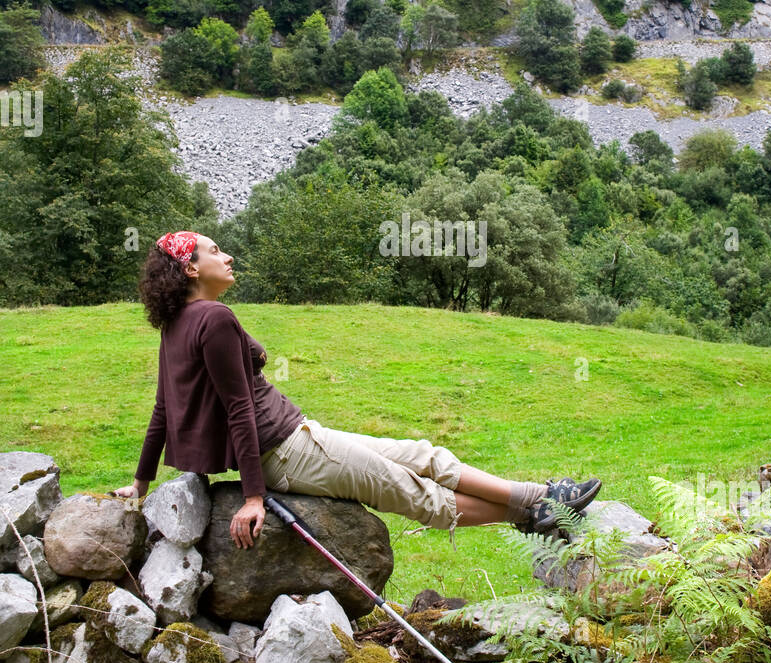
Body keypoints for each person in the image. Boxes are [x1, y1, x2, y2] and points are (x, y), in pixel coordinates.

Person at [114, 230, 602, 550]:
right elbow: (238, 408)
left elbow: (162, 408)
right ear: (192, 269)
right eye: (215, 251)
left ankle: (541, 500)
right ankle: (540, 510)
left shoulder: (177, 323)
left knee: (425, 455)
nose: (228, 255)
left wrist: (140, 482)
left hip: (298, 438)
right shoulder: (213, 318)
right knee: (415, 491)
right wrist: (254, 498)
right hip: (286, 452)